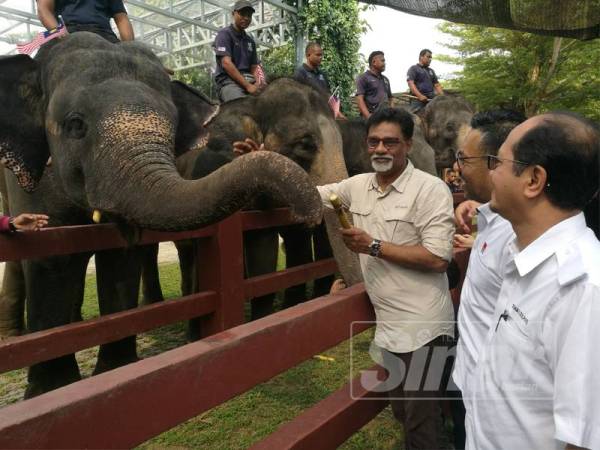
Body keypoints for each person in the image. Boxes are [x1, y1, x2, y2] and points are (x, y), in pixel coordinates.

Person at [318, 107, 455, 448]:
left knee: (424, 425)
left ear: (408, 144)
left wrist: (373, 245)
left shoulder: (431, 190)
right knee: (404, 415)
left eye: (390, 142)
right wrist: (264, 163)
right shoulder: (357, 186)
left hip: (424, 329)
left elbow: (438, 258)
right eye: (374, 142)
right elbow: (311, 194)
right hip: (390, 329)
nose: (381, 149)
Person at [467, 112, 600, 450]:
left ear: (533, 180)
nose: (491, 171)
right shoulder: (524, 255)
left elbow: (583, 439)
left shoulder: (583, 289)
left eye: (498, 161)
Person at [450, 109, 525, 449]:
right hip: (468, 382)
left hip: (495, 403)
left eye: (463, 160)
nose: (456, 169)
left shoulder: (519, 238)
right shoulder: (494, 218)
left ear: (496, 164)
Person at [213, 0, 261, 103]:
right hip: (228, 83)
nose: (246, 18)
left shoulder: (250, 41)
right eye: (242, 14)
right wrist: (248, 86)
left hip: (248, 81)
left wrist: (258, 83)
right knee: (242, 106)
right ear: (233, 13)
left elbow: (254, 67)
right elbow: (226, 63)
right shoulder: (224, 35)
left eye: (249, 15)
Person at [36, 0, 134, 43]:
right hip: (67, 32)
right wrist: (62, 35)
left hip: (104, 34)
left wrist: (129, 47)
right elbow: (43, 9)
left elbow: (122, 18)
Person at [355, 51, 393, 119]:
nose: (384, 63)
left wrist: (392, 114)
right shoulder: (363, 78)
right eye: (382, 61)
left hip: (385, 119)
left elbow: (391, 98)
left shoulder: (386, 80)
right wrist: (369, 117)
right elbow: (360, 99)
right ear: (374, 62)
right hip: (371, 118)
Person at [407, 49, 443, 113]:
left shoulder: (431, 71)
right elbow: (410, 84)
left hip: (431, 99)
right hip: (417, 99)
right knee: (415, 119)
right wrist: (420, 96)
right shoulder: (413, 68)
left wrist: (443, 97)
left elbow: (437, 85)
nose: (430, 59)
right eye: (428, 57)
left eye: (431, 57)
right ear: (421, 57)